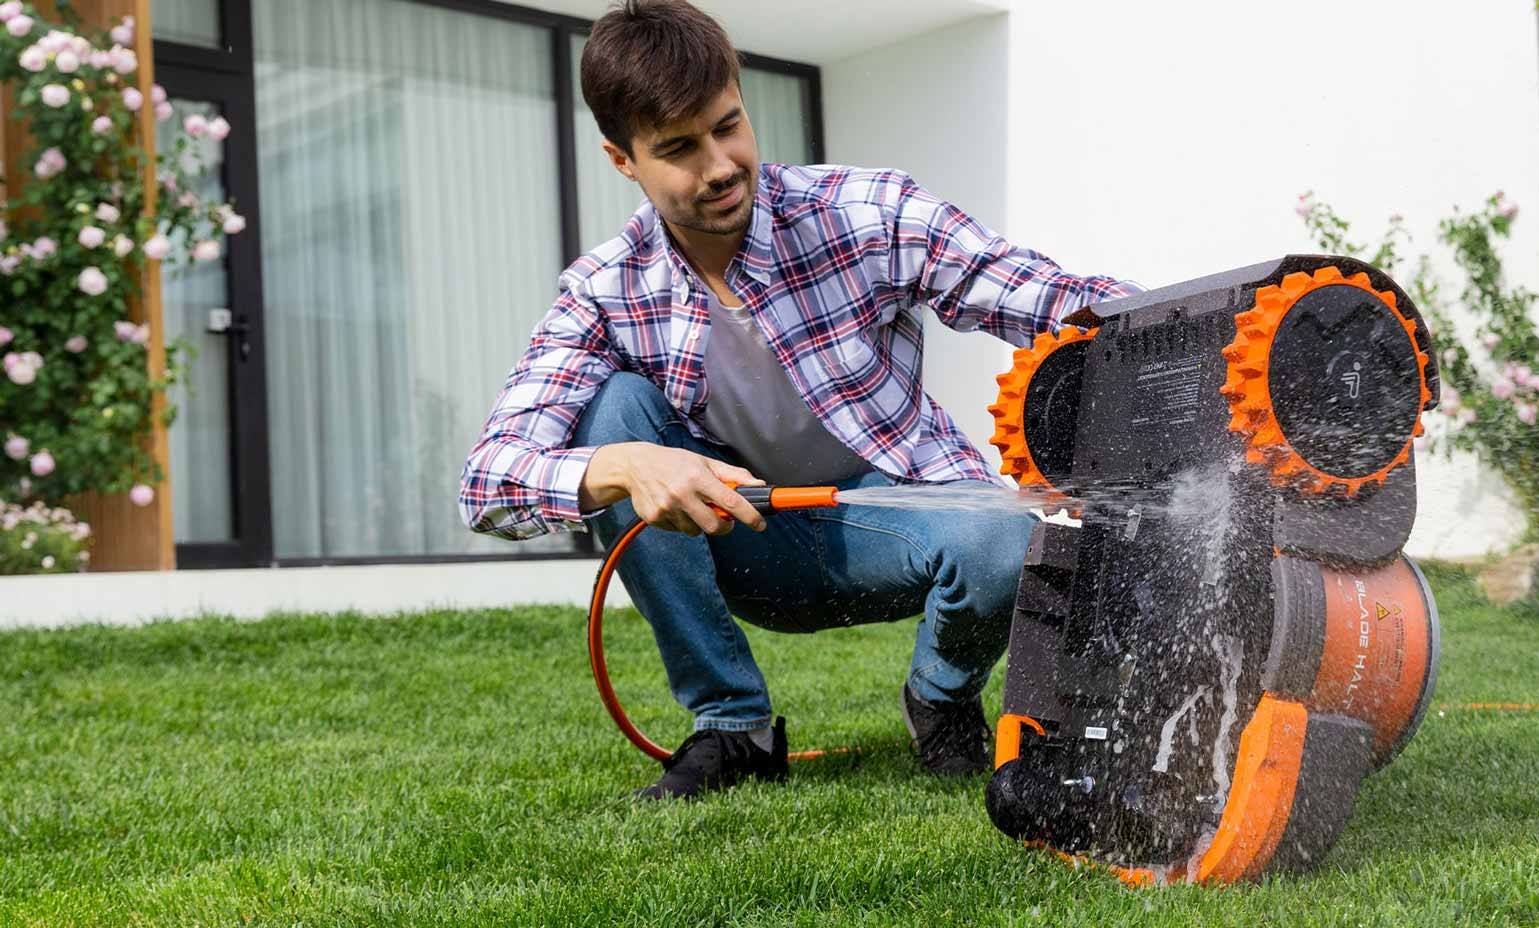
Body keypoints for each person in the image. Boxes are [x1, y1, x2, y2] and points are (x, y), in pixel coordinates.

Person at [459, 0, 1137, 800]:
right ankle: (732, 726)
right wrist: (626, 464)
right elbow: (486, 484)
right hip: (749, 540)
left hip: (898, 513)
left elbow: (1043, 296)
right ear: (622, 159)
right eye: (678, 148)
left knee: (1004, 541)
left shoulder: (865, 212)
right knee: (611, 417)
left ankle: (941, 700)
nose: (718, 165)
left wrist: (1195, 319)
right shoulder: (605, 291)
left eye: (728, 126)